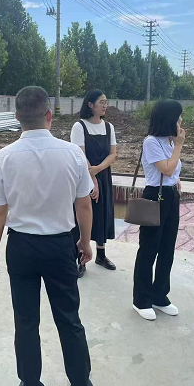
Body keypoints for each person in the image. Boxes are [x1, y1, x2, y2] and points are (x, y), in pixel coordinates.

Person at [0, 86, 95, 386]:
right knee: (69, 319)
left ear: (16, 117)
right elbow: (84, 204)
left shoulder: (3, 157)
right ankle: (81, 383)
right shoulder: (72, 153)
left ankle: (30, 383)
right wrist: (85, 242)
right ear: (49, 115)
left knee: (26, 322)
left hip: (21, 247)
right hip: (60, 246)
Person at [132, 100, 185, 321]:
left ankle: (159, 295)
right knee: (149, 249)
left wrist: (176, 181)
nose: (181, 121)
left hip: (170, 196)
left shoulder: (169, 141)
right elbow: (166, 168)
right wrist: (179, 145)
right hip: (156, 196)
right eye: (178, 117)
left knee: (167, 248)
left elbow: (173, 171)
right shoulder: (151, 142)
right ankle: (141, 299)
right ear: (168, 119)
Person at [70, 90, 118, 277]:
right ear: (90, 104)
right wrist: (92, 178)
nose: (105, 105)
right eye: (101, 102)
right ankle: (80, 258)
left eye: (106, 102)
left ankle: (101, 255)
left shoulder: (109, 127)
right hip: (84, 176)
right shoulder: (79, 126)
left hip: (102, 175)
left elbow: (113, 154)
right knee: (81, 217)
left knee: (102, 214)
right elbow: (80, 155)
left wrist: (98, 170)